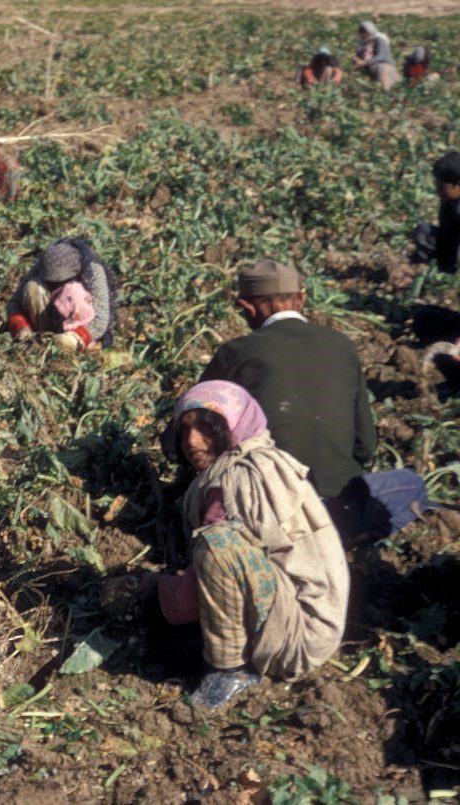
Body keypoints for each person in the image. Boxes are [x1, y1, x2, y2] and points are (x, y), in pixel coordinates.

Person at [146, 381, 349, 709]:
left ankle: (230, 669)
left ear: (235, 426)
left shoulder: (234, 481)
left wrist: (154, 592)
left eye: (207, 427)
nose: (192, 442)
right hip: (320, 625)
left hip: (296, 634)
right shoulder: (267, 459)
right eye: (184, 431)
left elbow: (200, 588)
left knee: (217, 547)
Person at [197, 260, 376, 499]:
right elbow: (365, 445)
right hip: (344, 499)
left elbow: (190, 436)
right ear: (301, 299)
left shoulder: (236, 353)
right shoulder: (341, 345)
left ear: (247, 308)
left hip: (271, 499)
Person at [5, 238, 118, 351]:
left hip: (82, 322)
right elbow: (15, 302)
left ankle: (76, 345)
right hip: (49, 318)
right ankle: (42, 339)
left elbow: (101, 317)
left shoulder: (93, 270)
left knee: (74, 292)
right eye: (52, 283)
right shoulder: (43, 265)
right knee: (34, 287)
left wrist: (76, 337)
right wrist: (20, 326)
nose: (56, 286)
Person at [411, 151, 460, 275]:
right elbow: (447, 232)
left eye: (442, 188)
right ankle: (444, 274)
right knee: (424, 232)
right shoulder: (450, 202)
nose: (438, 192)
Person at [353, 21, 396, 90]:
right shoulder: (363, 43)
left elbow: (381, 56)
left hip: (383, 68)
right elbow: (359, 55)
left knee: (384, 91)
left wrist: (364, 63)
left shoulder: (379, 39)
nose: (363, 35)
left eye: (365, 32)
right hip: (371, 70)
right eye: (361, 32)